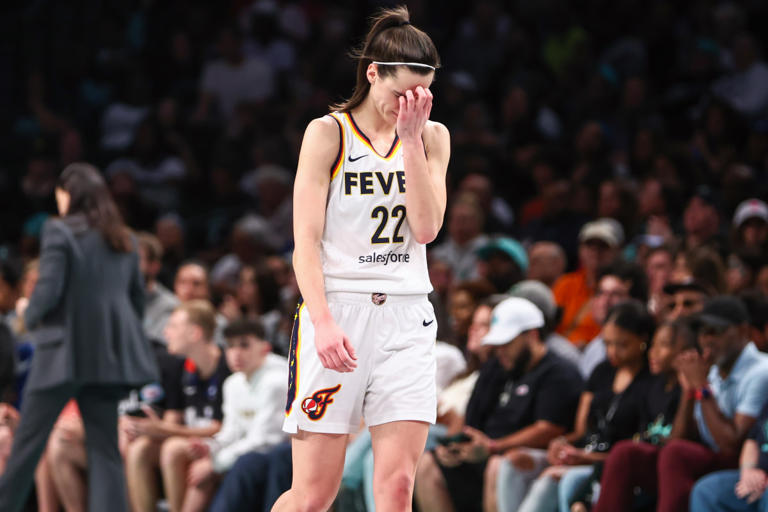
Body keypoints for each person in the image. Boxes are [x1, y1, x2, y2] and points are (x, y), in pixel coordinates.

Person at [273, 7, 450, 512]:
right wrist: (322, 323)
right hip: (339, 312)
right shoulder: (327, 133)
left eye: (422, 94)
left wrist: (412, 141)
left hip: (407, 314)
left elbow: (426, 229)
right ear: (373, 73)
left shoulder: (432, 137)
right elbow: (303, 242)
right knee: (313, 496)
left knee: (396, 488)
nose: (409, 104)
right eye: (401, 94)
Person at [0, 162, 158, 512]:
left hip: (63, 355)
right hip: (108, 359)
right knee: (104, 451)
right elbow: (136, 302)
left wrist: (30, 315)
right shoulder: (126, 239)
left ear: (69, 193)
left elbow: (48, 290)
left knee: (28, 444)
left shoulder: (60, 231)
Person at [415, 297, 583, 512]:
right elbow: (472, 417)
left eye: (507, 343)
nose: (501, 350)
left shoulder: (559, 373)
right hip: (484, 453)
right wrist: (455, 446)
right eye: (498, 344)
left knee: (497, 465)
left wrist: (494, 447)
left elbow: (549, 429)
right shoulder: (497, 367)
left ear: (531, 335)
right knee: (427, 463)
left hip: (522, 459)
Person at [161, 318, 287, 512]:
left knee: (243, 464)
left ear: (265, 348)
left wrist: (216, 463)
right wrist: (211, 446)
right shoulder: (233, 383)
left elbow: (265, 441)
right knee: (201, 463)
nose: (236, 353)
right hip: (249, 453)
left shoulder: (277, 381)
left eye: (244, 345)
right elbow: (231, 432)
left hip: (281, 455)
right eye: (231, 346)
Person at [125, 300, 231, 512]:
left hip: (223, 446)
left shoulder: (226, 368)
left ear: (195, 333)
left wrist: (163, 429)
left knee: (172, 449)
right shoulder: (185, 368)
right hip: (194, 442)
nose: (165, 333)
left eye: (173, 326)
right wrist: (151, 427)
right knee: (140, 448)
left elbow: (219, 429)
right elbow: (176, 420)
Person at [590, 319, 699, 512]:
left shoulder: (691, 392)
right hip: (654, 464)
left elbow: (678, 442)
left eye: (664, 345)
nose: (653, 352)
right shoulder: (654, 387)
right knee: (620, 455)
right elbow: (641, 438)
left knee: (630, 453)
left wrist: (688, 392)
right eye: (654, 344)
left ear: (686, 353)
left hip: (681, 467)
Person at [689, 403, 768, 511]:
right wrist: (748, 470)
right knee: (706, 491)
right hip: (758, 475)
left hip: (764, 481)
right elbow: (752, 440)